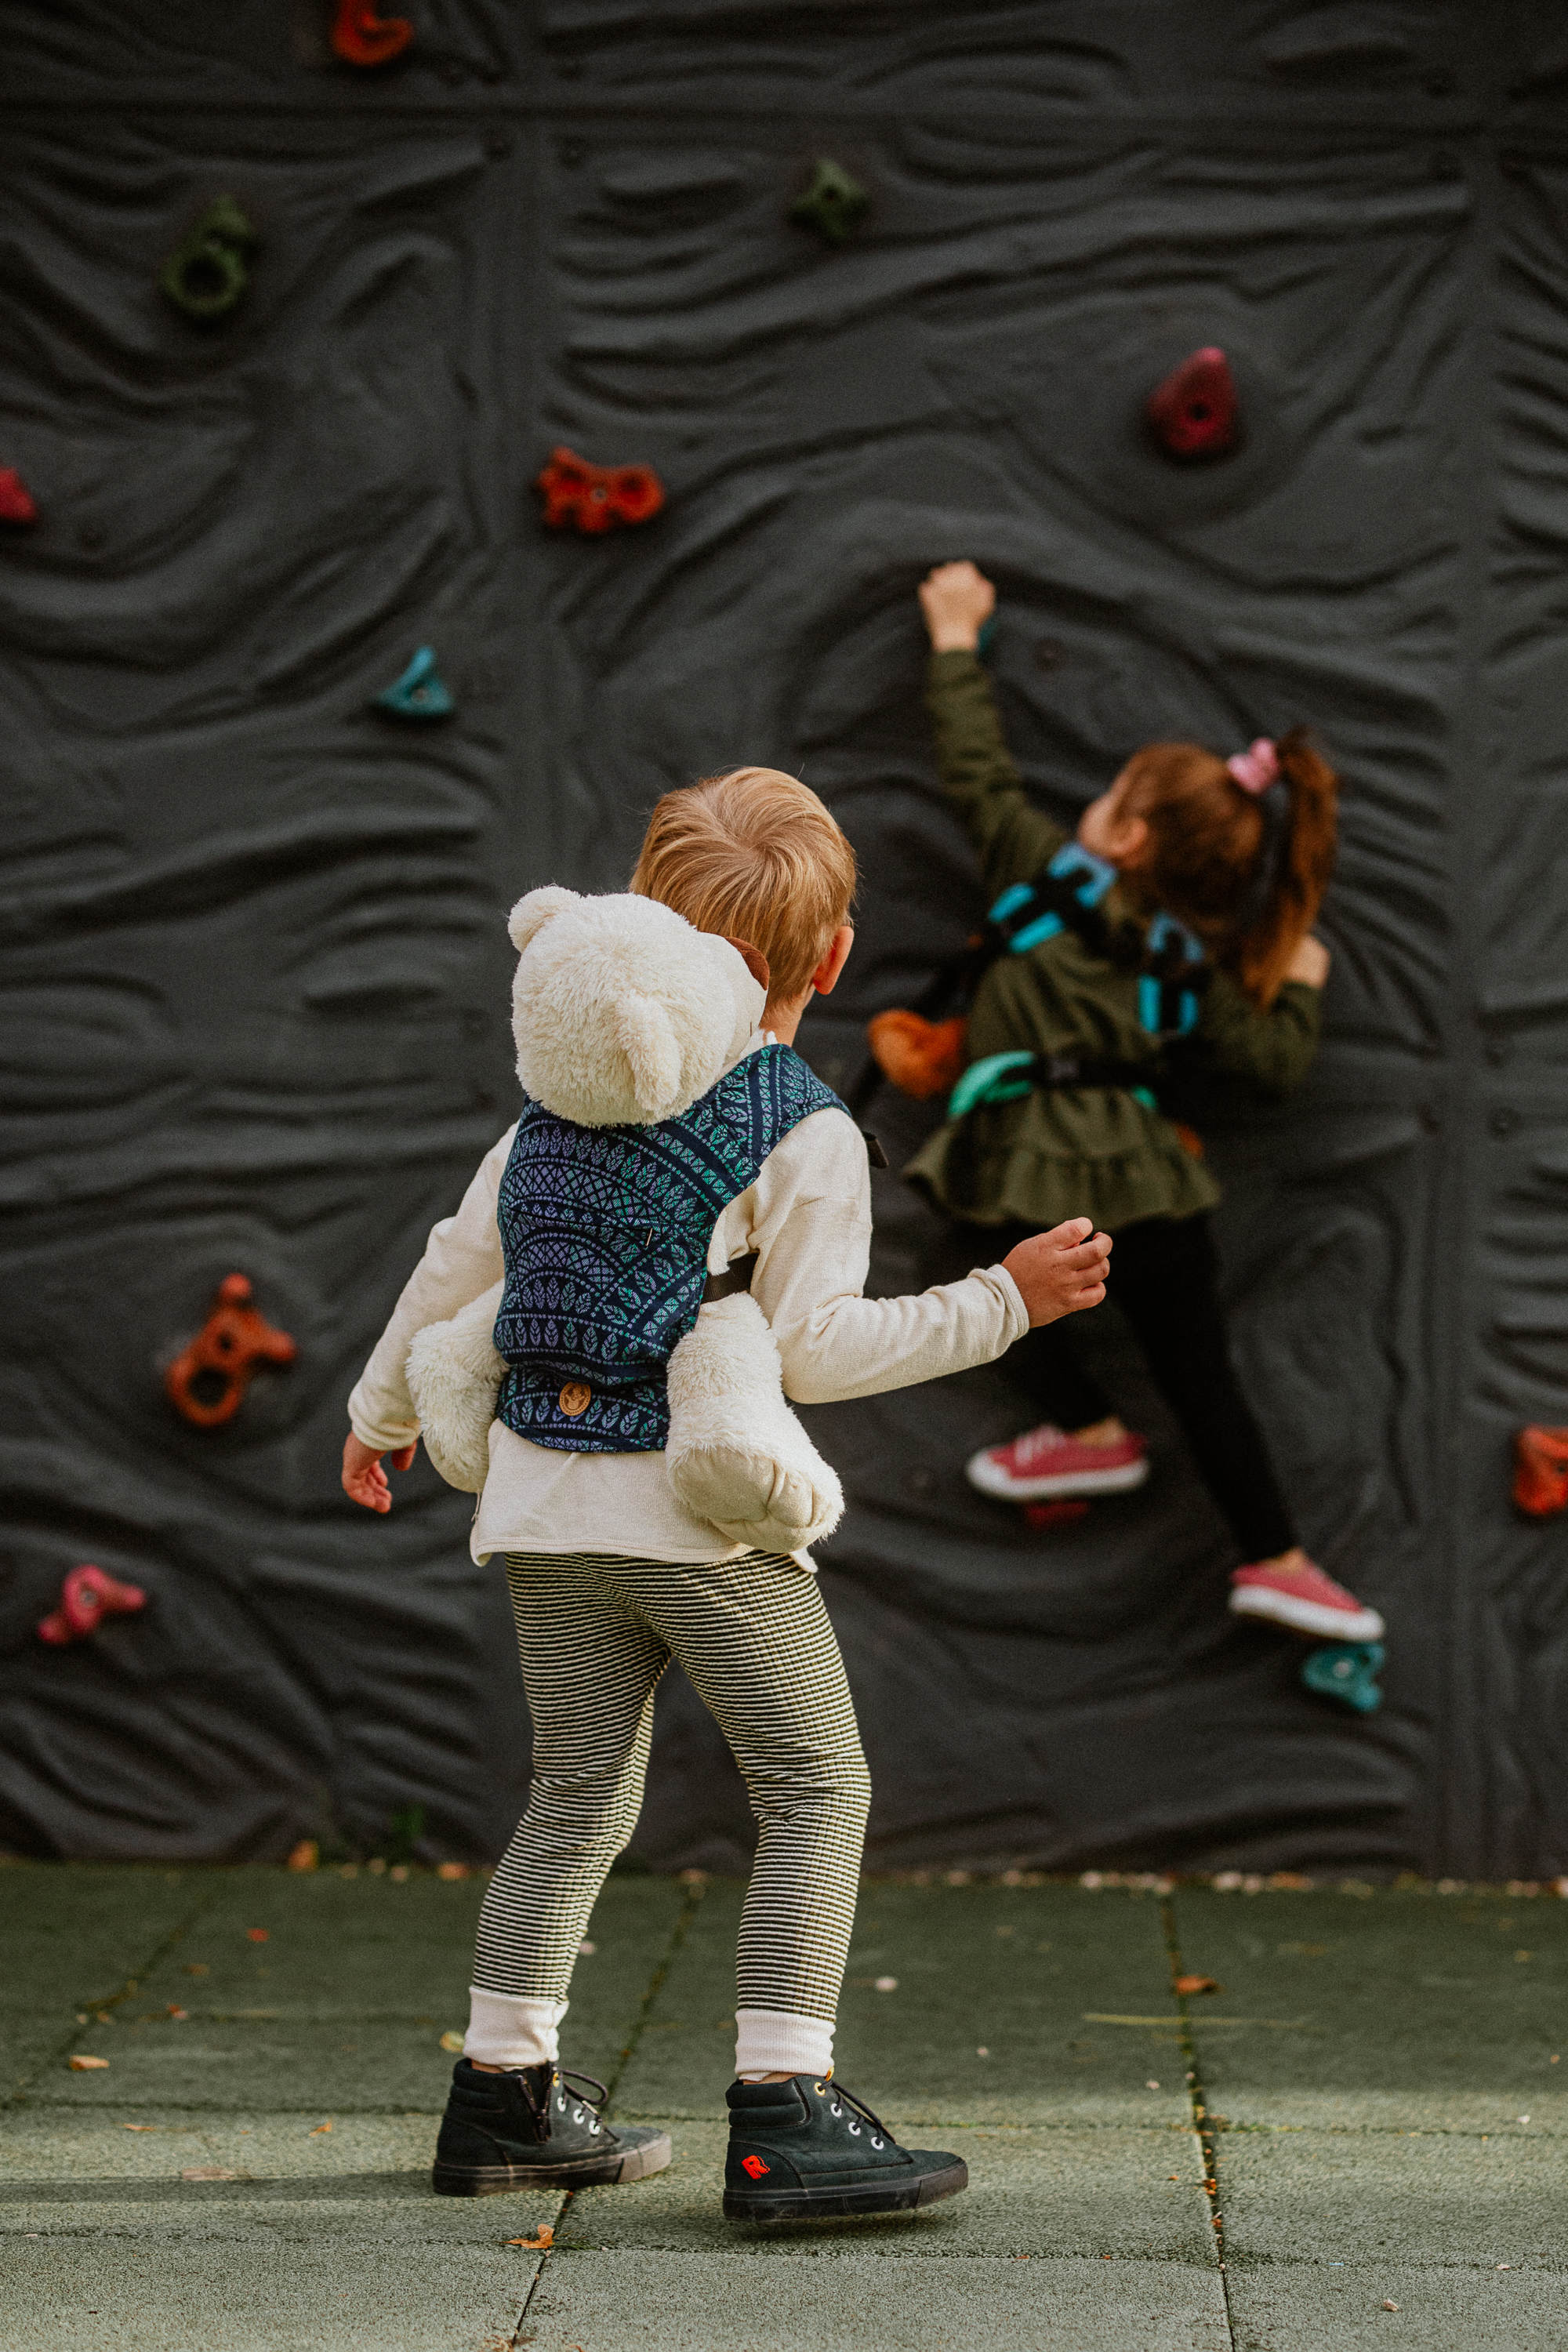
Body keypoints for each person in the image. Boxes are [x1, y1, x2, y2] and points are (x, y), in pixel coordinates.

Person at [340, 764, 1112, 2222]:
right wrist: (1002, 1301)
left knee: (575, 1794)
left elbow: (454, 1266)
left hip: (541, 1507)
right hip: (696, 1516)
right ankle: (782, 2111)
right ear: (832, 958)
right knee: (818, 1785)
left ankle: (501, 2092)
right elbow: (816, 1353)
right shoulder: (800, 1126)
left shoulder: (552, 1100)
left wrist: (377, 1418)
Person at [887, 559, 1383, 1650]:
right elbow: (1270, 1065)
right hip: (1151, 1178)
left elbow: (977, 770)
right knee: (1201, 1375)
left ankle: (1090, 1430)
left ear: (1127, 837)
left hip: (1020, 1163)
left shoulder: (1042, 874)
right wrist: (1302, 984)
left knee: (978, 1287)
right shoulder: (1182, 966)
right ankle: (1280, 1561)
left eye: (1108, 799)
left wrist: (956, 640)